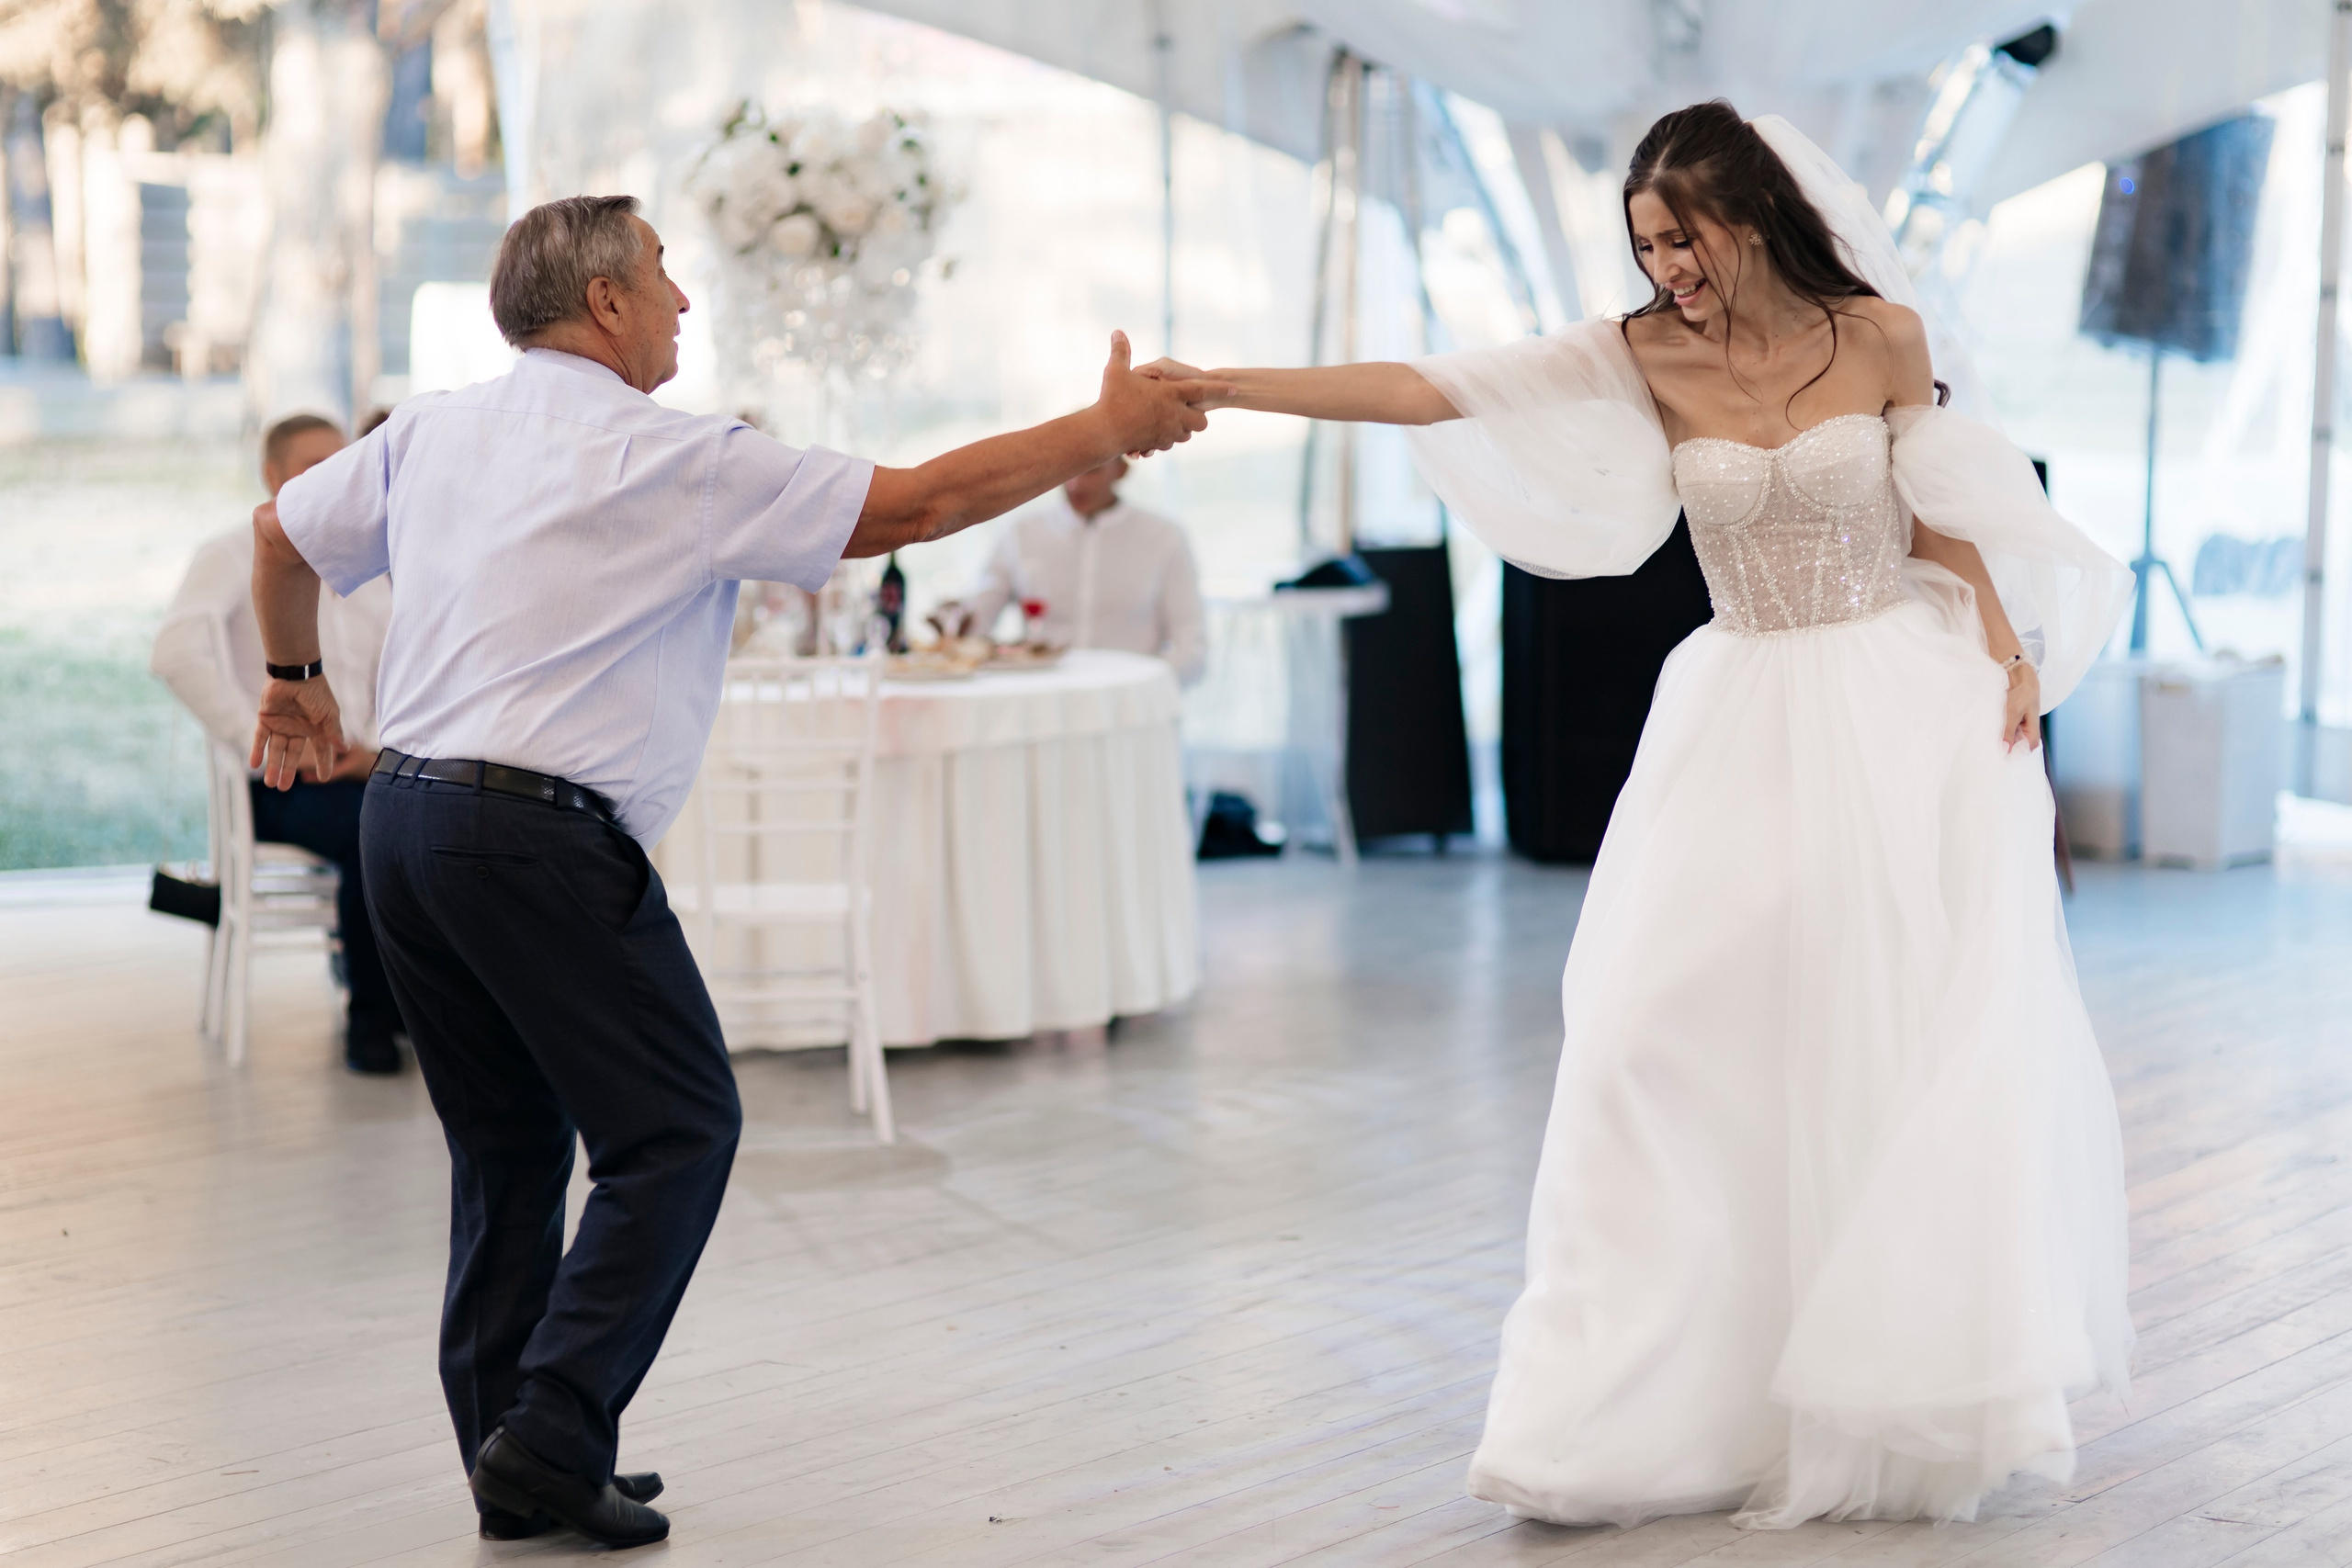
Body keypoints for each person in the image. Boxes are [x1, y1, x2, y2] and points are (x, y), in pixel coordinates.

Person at [1141, 102, 2135, 1529]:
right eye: (1647, 241)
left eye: (1685, 235)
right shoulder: (1637, 353)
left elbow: (1944, 511)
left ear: (1754, 213)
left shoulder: (1884, 335)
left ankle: (1892, 1381)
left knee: (1884, 1038)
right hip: (1738, 716)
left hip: (1902, 706)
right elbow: (1431, 386)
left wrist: (2006, 648)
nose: (1666, 263)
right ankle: (1618, 1410)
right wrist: (1228, 383)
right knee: (1646, 1033)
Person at [244, 194, 1226, 1549]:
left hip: (406, 820)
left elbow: (277, 533)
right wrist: (1101, 429)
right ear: (603, 303)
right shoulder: (679, 455)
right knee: (678, 1128)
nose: (684, 300)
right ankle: (553, 1426)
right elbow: (920, 503)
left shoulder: (433, 427)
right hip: (534, 834)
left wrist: (293, 683)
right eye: (663, 273)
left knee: (511, 1144)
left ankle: (519, 1448)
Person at [151, 413, 405, 1073]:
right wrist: (258, 740)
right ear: (272, 476)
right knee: (375, 834)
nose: (329, 480)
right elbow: (174, 652)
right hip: (278, 784)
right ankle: (374, 1020)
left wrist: (370, 750)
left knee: (436, 819)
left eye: (338, 464)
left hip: (360, 769)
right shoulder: (234, 552)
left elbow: (392, 680)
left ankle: (419, 1003)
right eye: (310, 466)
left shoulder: (368, 569)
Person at [955, 453, 1206, 682]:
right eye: (1067, 471)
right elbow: (976, 623)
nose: (1075, 484)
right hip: (1041, 703)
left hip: (1131, 712)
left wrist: (1142, 692)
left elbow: (1191, 647)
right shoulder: (1020, 533)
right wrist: (955, 624)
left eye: (1091, 471)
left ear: (1121, 470)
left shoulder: (1164, 537)